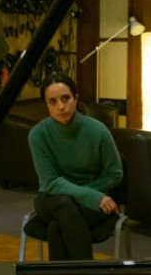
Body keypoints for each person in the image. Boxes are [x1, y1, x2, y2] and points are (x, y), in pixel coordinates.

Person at [28, 72, 123, 261]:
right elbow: (50, 182)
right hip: (52, 198)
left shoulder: (97, 130)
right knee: (62, 202)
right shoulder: (38, 135)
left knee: (57, 226)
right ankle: (88, 273)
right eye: (53, 102)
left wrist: (88, 194)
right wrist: (88, 195)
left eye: (65, 98)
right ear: (46, 105)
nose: (61, 106)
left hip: (90, 200)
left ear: (75, 98)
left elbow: (115, 173)